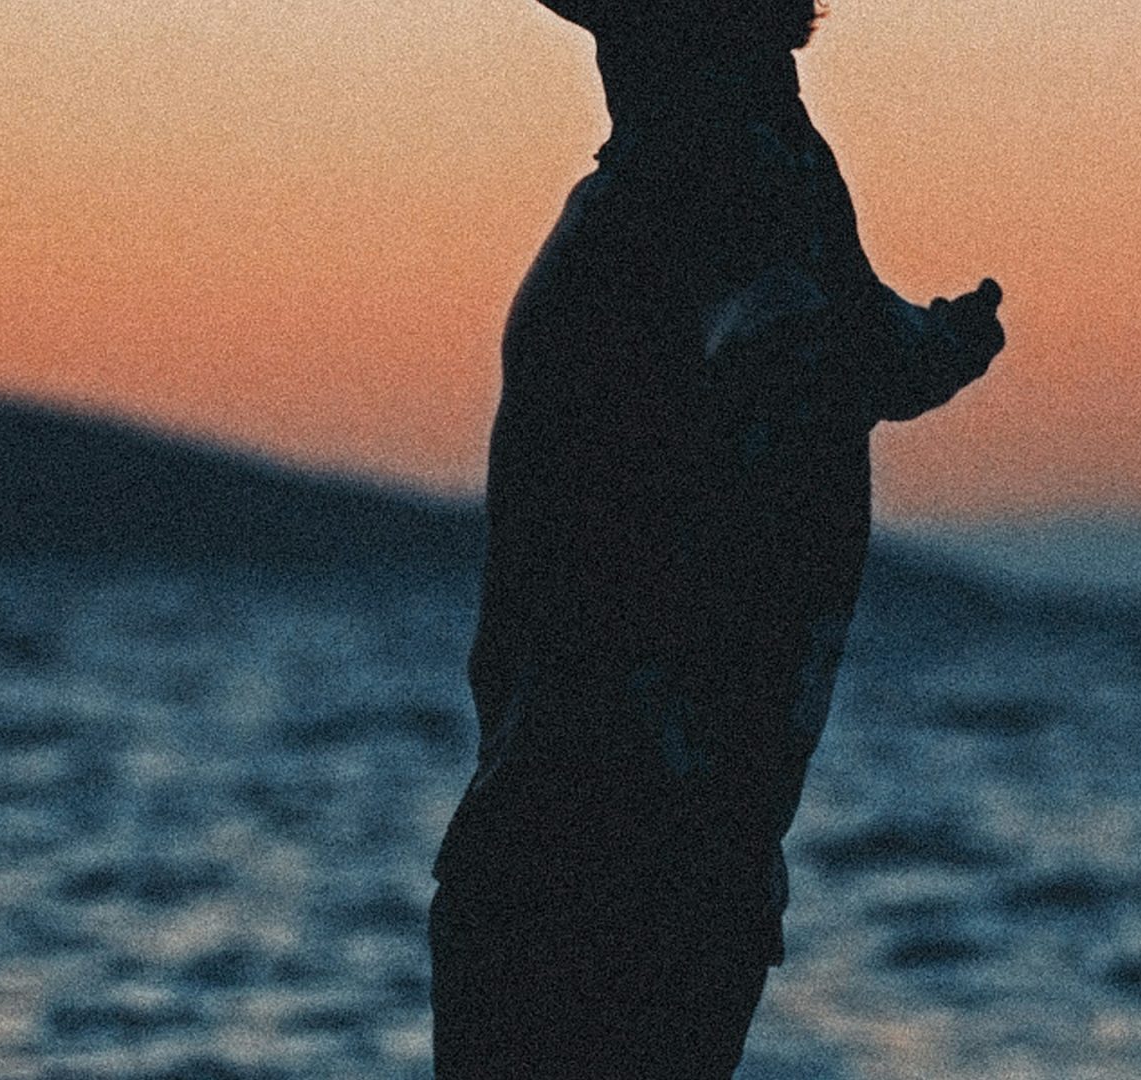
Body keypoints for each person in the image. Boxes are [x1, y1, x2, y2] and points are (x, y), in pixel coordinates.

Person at [428, 0, 1006, 1075]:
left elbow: (791, 347)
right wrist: (927, 344)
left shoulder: (705, 174)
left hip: (600, 845)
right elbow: (852, 348)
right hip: (659, 847)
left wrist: (864, 353)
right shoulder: (762, 169)